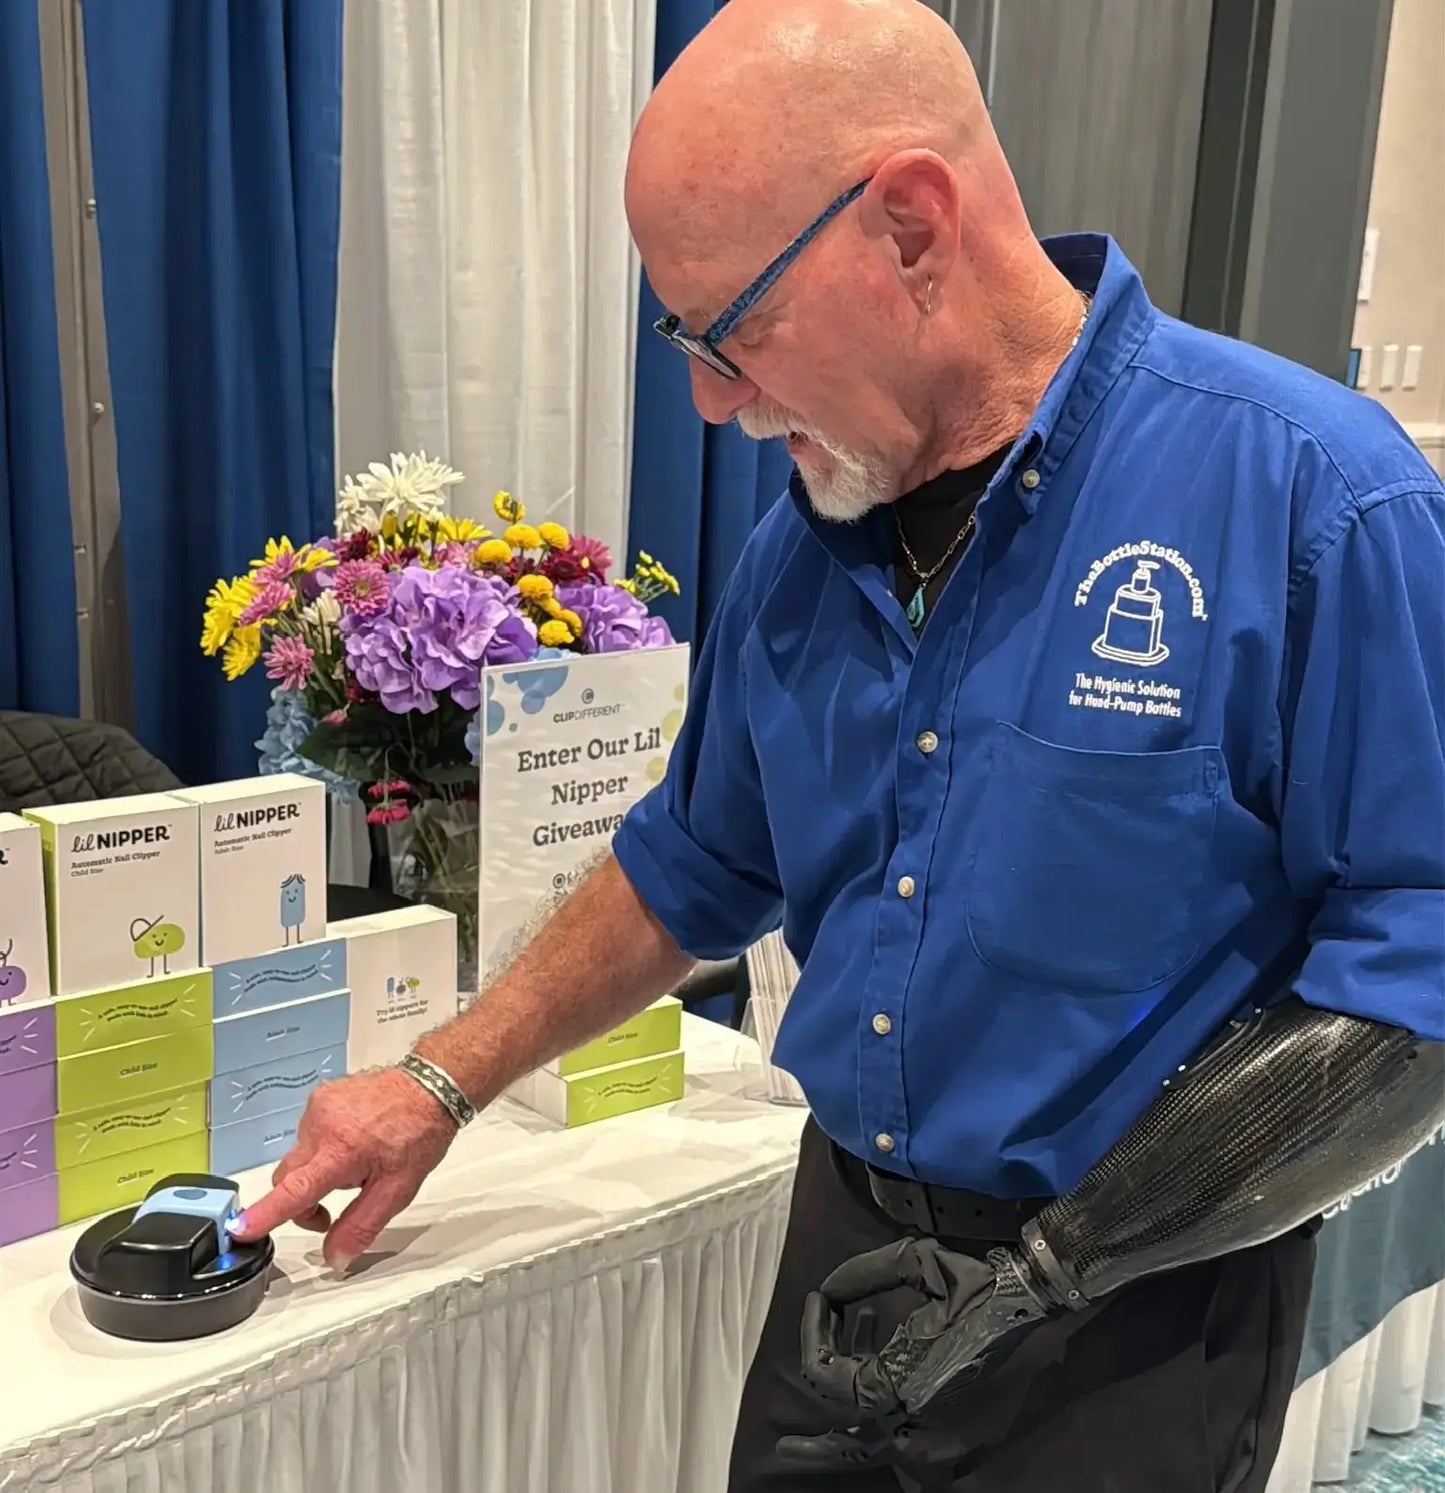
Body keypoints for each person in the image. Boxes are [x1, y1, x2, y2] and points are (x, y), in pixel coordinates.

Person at [231, 1, 1445, 1488]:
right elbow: (696, 863)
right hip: (844, 1258)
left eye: (728, 332)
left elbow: (1414, 973)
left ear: (911, 224)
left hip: (1137, 1304)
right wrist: (435, 1081)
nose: (709, 401)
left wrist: (1049, 1270)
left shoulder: (1311, 500)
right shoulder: (807, 545)